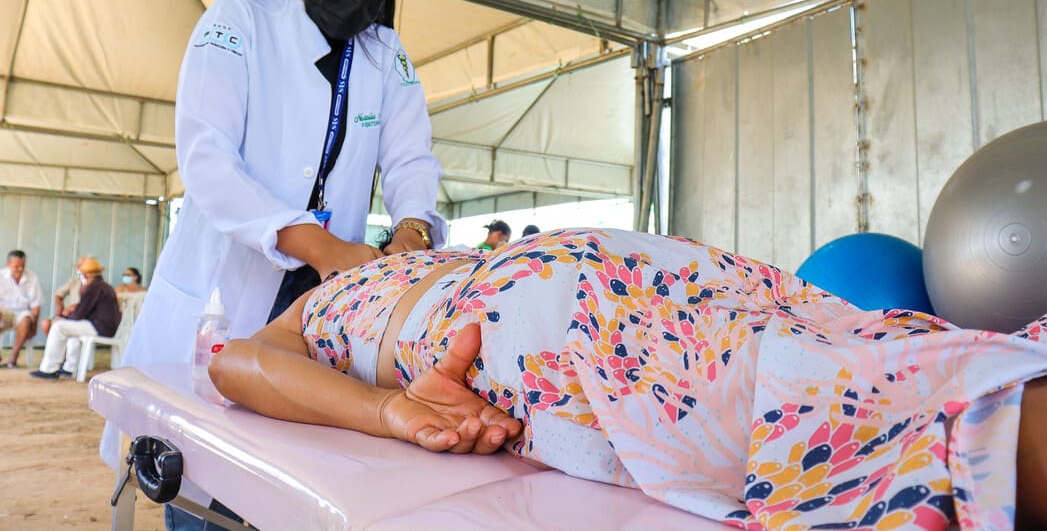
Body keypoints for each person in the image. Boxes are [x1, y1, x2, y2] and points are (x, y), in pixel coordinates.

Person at [211, 229, 1047, 530]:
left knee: (858, 349)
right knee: (833, 389)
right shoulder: (316, 303)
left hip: (627, 267)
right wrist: (389, 410)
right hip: (556, 314)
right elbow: (238, 365)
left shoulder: (438, 254)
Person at [111, 0, 447, 529]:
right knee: (205, 483)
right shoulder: (238, 24)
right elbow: (208, 160)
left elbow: (411, 159)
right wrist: (321, 246)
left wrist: (411, 230)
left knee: (292, 477)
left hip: (321, 294)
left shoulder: (386, 55)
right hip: (232, 282)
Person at [30, 258, 120, 380]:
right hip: (104, 327)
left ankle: (49, 369)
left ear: (86, 274)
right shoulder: (104, 286)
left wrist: (63, 318)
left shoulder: (93, 287)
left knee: (58, 327)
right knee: (71, 330)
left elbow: (80, 314)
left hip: (99, 327)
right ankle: (70, 368)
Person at [0, 250, 42, 368]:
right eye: (16, 266)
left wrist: (34, 327)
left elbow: (36, 305)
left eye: (23, 265)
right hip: (3, 313)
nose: (20, 269)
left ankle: (12, 359)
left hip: (21, 314)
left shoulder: (32, 278)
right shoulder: (1, 276)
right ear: (8, 264)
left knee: (27, 318)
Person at [41, 254, 95, 336]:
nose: (77, 268)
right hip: (68, 315)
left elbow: (91, 304)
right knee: (45, 323)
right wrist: (59, 305)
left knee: (56, 325)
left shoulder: (97, 285)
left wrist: (73, 307)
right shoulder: (75, 281)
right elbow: (58, 294)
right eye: (77, 265)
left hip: (83, 318)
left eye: (80, 266)